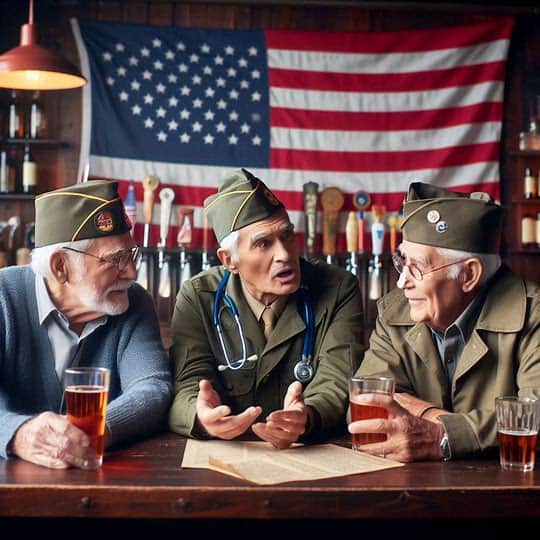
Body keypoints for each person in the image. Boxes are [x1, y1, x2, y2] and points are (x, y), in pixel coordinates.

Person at [169, 168, 364, 448]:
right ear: (229, 260)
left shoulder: (338, 288)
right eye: (263, 244)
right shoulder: (198, 296)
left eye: (287, 236)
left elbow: (336, 381)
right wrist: (201, 416)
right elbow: (188, 383)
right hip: (228, 452)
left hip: (308, 453)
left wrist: (307, 416)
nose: (284, 254)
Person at [349, 182, 540, 462]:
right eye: (402, 263)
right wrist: (433, 416)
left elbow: (534, 416)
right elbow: (366, 403)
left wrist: (440, 434)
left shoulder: (533, 314)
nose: (402, 282)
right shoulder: (395, 312)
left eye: (417, 268)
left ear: (469, 275)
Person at [0, 180, 172, 469]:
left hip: (104, 489)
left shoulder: (134, 302)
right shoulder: (4, 296)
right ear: (61, 267)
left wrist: (90, 431)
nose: (130, 272)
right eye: (115, 260)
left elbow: (153, 387)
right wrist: (17, 433)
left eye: (131, 254)